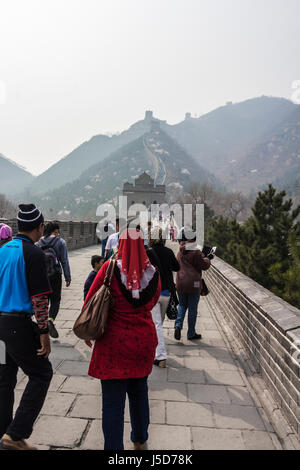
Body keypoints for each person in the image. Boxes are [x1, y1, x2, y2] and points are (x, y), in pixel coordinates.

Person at [84, 228, 161, 450]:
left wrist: (89, 331)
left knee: (112, 402)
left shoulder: (109, 268)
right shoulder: (153, 274)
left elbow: (91, 297)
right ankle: (139, 439)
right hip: (143, 342)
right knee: (139, 393)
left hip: (113, 344)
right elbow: (154, 300)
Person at [0, 204, 53, 451]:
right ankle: (16, 434)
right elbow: (40, 299)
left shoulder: (2, 251)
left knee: (4, 379)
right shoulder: (33, 254)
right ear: (40, 227)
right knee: (41, 373)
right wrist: (44, 334)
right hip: (16, 326)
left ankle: (5, 434)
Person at [147, 227, 180, 368]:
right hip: (166, 293)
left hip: (154, 293)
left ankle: (160, 356)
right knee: (158, 323)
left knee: (156, 324)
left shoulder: (148, 252)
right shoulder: (168, 251)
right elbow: (177, 268)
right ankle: (155, 350)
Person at [174, 228, 212, 341]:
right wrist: (208, 258)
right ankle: (191, 333)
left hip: (180, 282)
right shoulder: (195, 251)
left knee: (181, 305)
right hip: (193, 284)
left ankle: (178, 325)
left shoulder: (180, 251)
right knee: (192, 309)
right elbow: (204, 265)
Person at [36, 221, 71, 339]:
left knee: (43, 300)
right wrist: (67, 277)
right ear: (55, 231)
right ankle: (50, 320)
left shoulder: (38, 243)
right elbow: (64, 261)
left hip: (41, 276)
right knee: (55, 300)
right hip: (55, 275)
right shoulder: (60, 242)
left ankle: (43, 323)